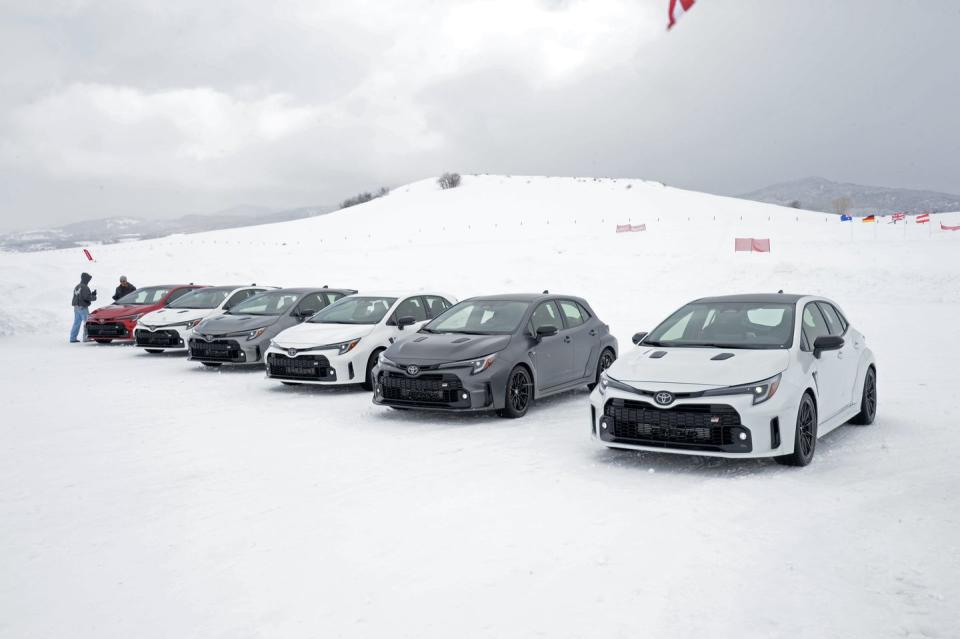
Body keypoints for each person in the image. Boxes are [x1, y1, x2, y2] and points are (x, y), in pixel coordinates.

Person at [70, 272, 97, 343]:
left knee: (76, 322)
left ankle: (72, 338)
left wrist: (91, 294)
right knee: (87, 322)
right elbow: (87, 297)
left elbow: (81, 296)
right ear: (86, 279)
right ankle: (86, 338)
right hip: (83, 307)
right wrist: (94, 296)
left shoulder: (77, 286)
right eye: (88, 279)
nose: (89, 281)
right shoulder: (85, 287)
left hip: (76, 307)